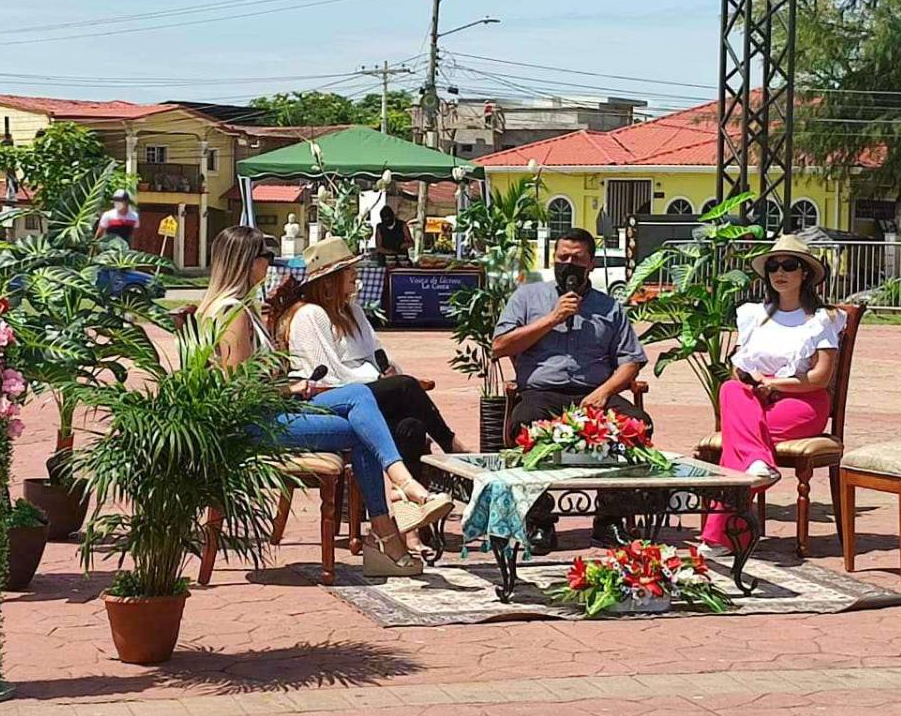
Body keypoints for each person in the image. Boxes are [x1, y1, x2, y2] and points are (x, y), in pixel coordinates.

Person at [197, 226, 451, 578]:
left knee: (361, 405)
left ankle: (391, 518)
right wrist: (291, 389)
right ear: (246, 262)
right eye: (265, 258)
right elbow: (241, 392)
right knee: (363, 416)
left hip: (264, 415)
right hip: (252, 425)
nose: (270, 266)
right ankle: (395, 511)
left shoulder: (231, 308)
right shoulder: (233, 314)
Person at [265, 236, 468, 556]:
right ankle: (455, 452)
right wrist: (386, 381)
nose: (356, 276)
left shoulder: (353, 312)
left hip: (367, 394)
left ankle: (411, 529)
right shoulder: (309, 316)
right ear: (330, 280)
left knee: (412, 426)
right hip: (334, 398)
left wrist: (386, 374)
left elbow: (378, 357)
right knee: (404, 387)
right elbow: (327, 375)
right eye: (350, 271)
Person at [493, 226, 651, 554]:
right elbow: (499, 346)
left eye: (577, 259)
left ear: (591, 264)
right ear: (553, 259)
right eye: (563, 257)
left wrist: (605, 392)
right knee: (525, 426)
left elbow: (631, 361)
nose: (569, 264)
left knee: (637, 426)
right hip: (542, 393)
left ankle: (610, 520)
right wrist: (551, 319)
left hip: (596, 394)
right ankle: (539, 522)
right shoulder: (527, 297)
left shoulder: (610, 307)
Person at [700, 234, 844, 555]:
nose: (780, 272)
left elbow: (820, 378)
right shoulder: (754, 315)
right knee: (729, 387)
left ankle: (721, 535)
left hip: (801, 402)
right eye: (773, 266)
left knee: (736, 445)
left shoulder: (821, 319)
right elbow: (739, 365)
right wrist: (752, 380)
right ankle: (759, 466)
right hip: (756, 400)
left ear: (805, 273)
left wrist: (773, 384)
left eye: (789, 266)